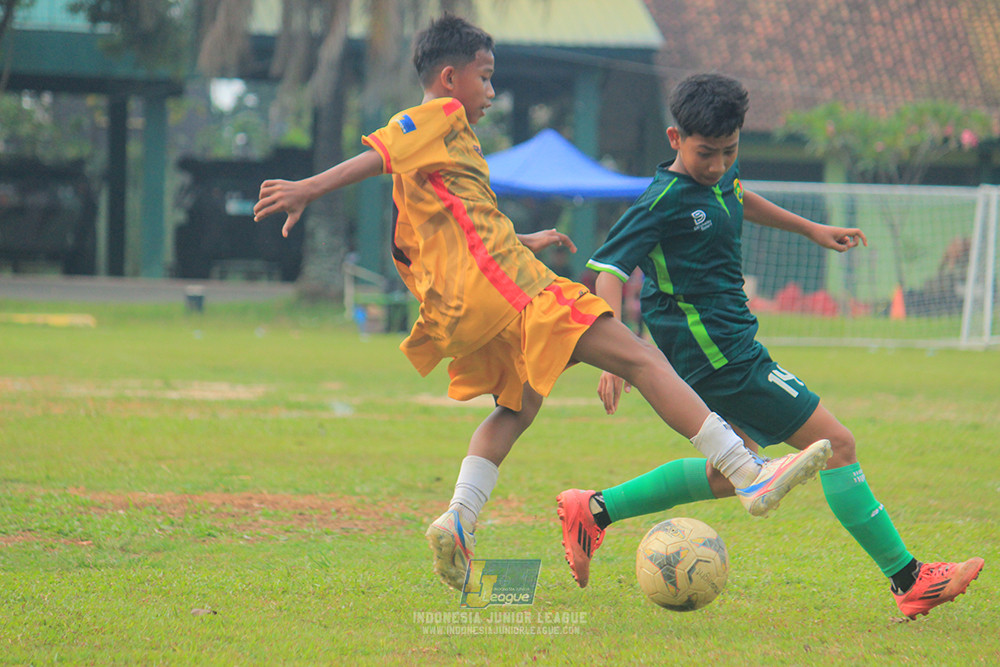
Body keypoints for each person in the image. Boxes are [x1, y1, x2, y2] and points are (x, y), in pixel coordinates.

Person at [253, 17, 831, 593]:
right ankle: (746, 471)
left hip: (482, 302)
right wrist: (306, 187)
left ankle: (459, 517)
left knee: (517, 409)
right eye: (485, 77)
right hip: (516, 293)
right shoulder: (438, 116)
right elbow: (379, 153)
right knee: (641, 360)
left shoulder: (446, 144)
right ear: (451, 78)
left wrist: (521, 241)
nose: (491, 91)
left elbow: (455, 220)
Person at [558, 73, 983, 619]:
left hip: (725, 351)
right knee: (838, 443)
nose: (716, 164)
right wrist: (615, 347)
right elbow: (608, 270)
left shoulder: (722, 175)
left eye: (729, 151)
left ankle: (593, 510)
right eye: (705, 153)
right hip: (723, 361)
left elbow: (739, 197)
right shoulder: (660, 200)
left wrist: (810, 229)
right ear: (674, 138)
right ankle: (909, 579)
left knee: (731, 470)